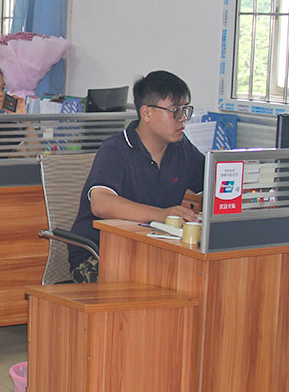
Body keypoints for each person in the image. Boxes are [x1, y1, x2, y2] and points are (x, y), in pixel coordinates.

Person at [69, 70, 205, 282]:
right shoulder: (116, 149)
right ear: (146, 113)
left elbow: (212, 184)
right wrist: (161, 214)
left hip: (151, 250)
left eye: (186, 110)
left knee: (198, 277)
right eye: (175, 111)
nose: (183, 119)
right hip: (100, 254)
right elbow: (101, 203)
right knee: (162, 282)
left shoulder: (182, 149)